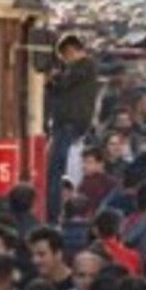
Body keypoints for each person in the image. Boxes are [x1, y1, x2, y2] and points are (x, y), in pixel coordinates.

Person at [46, 35, 99, 222]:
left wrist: (54, 77)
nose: (64, 62)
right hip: (67, 123)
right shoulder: (79, 69)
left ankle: (54, 211)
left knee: (56, 170)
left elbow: (62, 84)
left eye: (64, 57)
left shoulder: (85, 66)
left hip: (70, 123)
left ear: (71, 51)